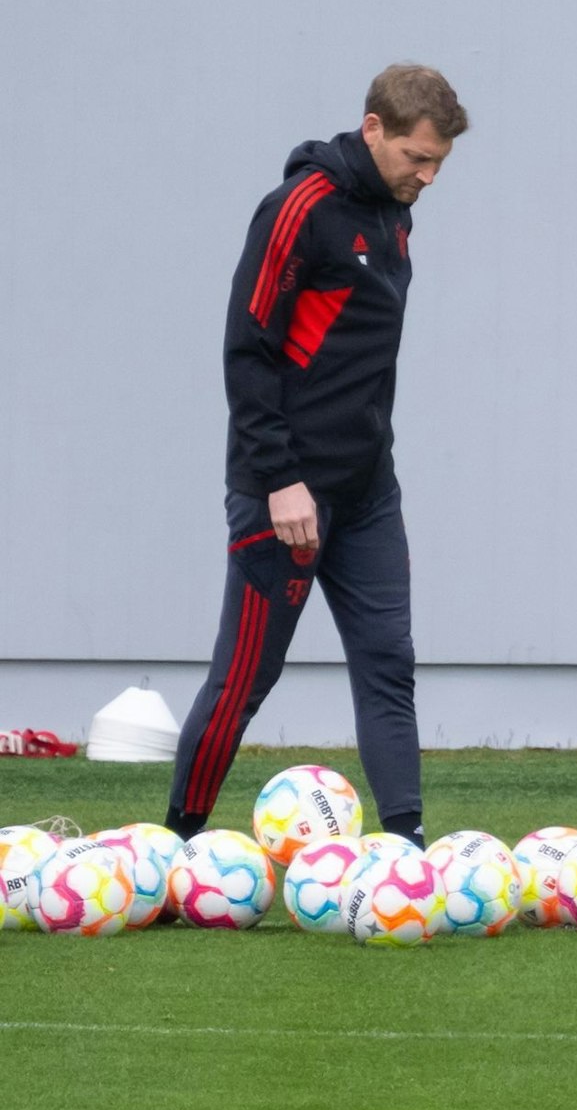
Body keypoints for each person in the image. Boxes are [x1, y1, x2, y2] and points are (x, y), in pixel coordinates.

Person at [164, 65, 468, 845]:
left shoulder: (395, 214)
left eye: (438, 162)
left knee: (388, 667)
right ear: (373, 130)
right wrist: (280, 481)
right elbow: (248, 349)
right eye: (416, 157)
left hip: (368, 493)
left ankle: (406, 850)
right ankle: (176, 846)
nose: (427, 176)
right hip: (286, 494)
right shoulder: (299, 209)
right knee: (244, 681)